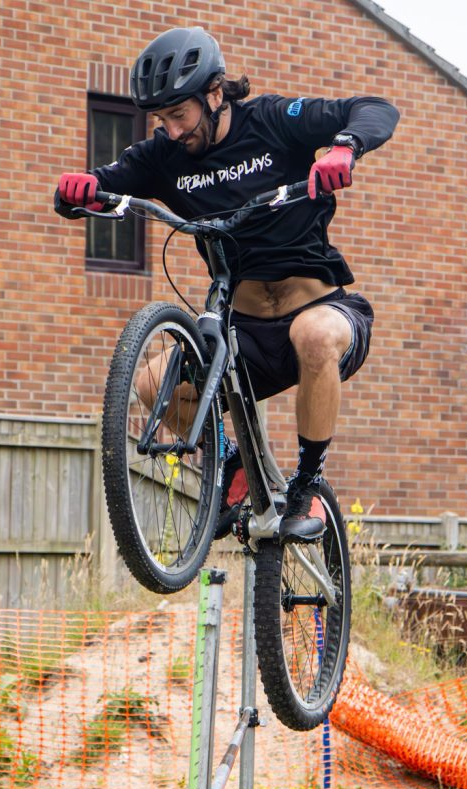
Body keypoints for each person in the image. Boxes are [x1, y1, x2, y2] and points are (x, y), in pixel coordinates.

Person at [55, 26, 399, 543]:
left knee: (312, 334)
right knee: (150, 384)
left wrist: (344, 148)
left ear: (215, 94)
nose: (172, 130)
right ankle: (233, 461)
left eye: (179, 114)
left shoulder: (273, 121)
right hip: (244, 338)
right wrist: (78, 190)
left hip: (324, 314)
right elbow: (101, 183)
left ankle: (307, 483)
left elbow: (374, 109)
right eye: (162, 119)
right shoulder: (164, 156)